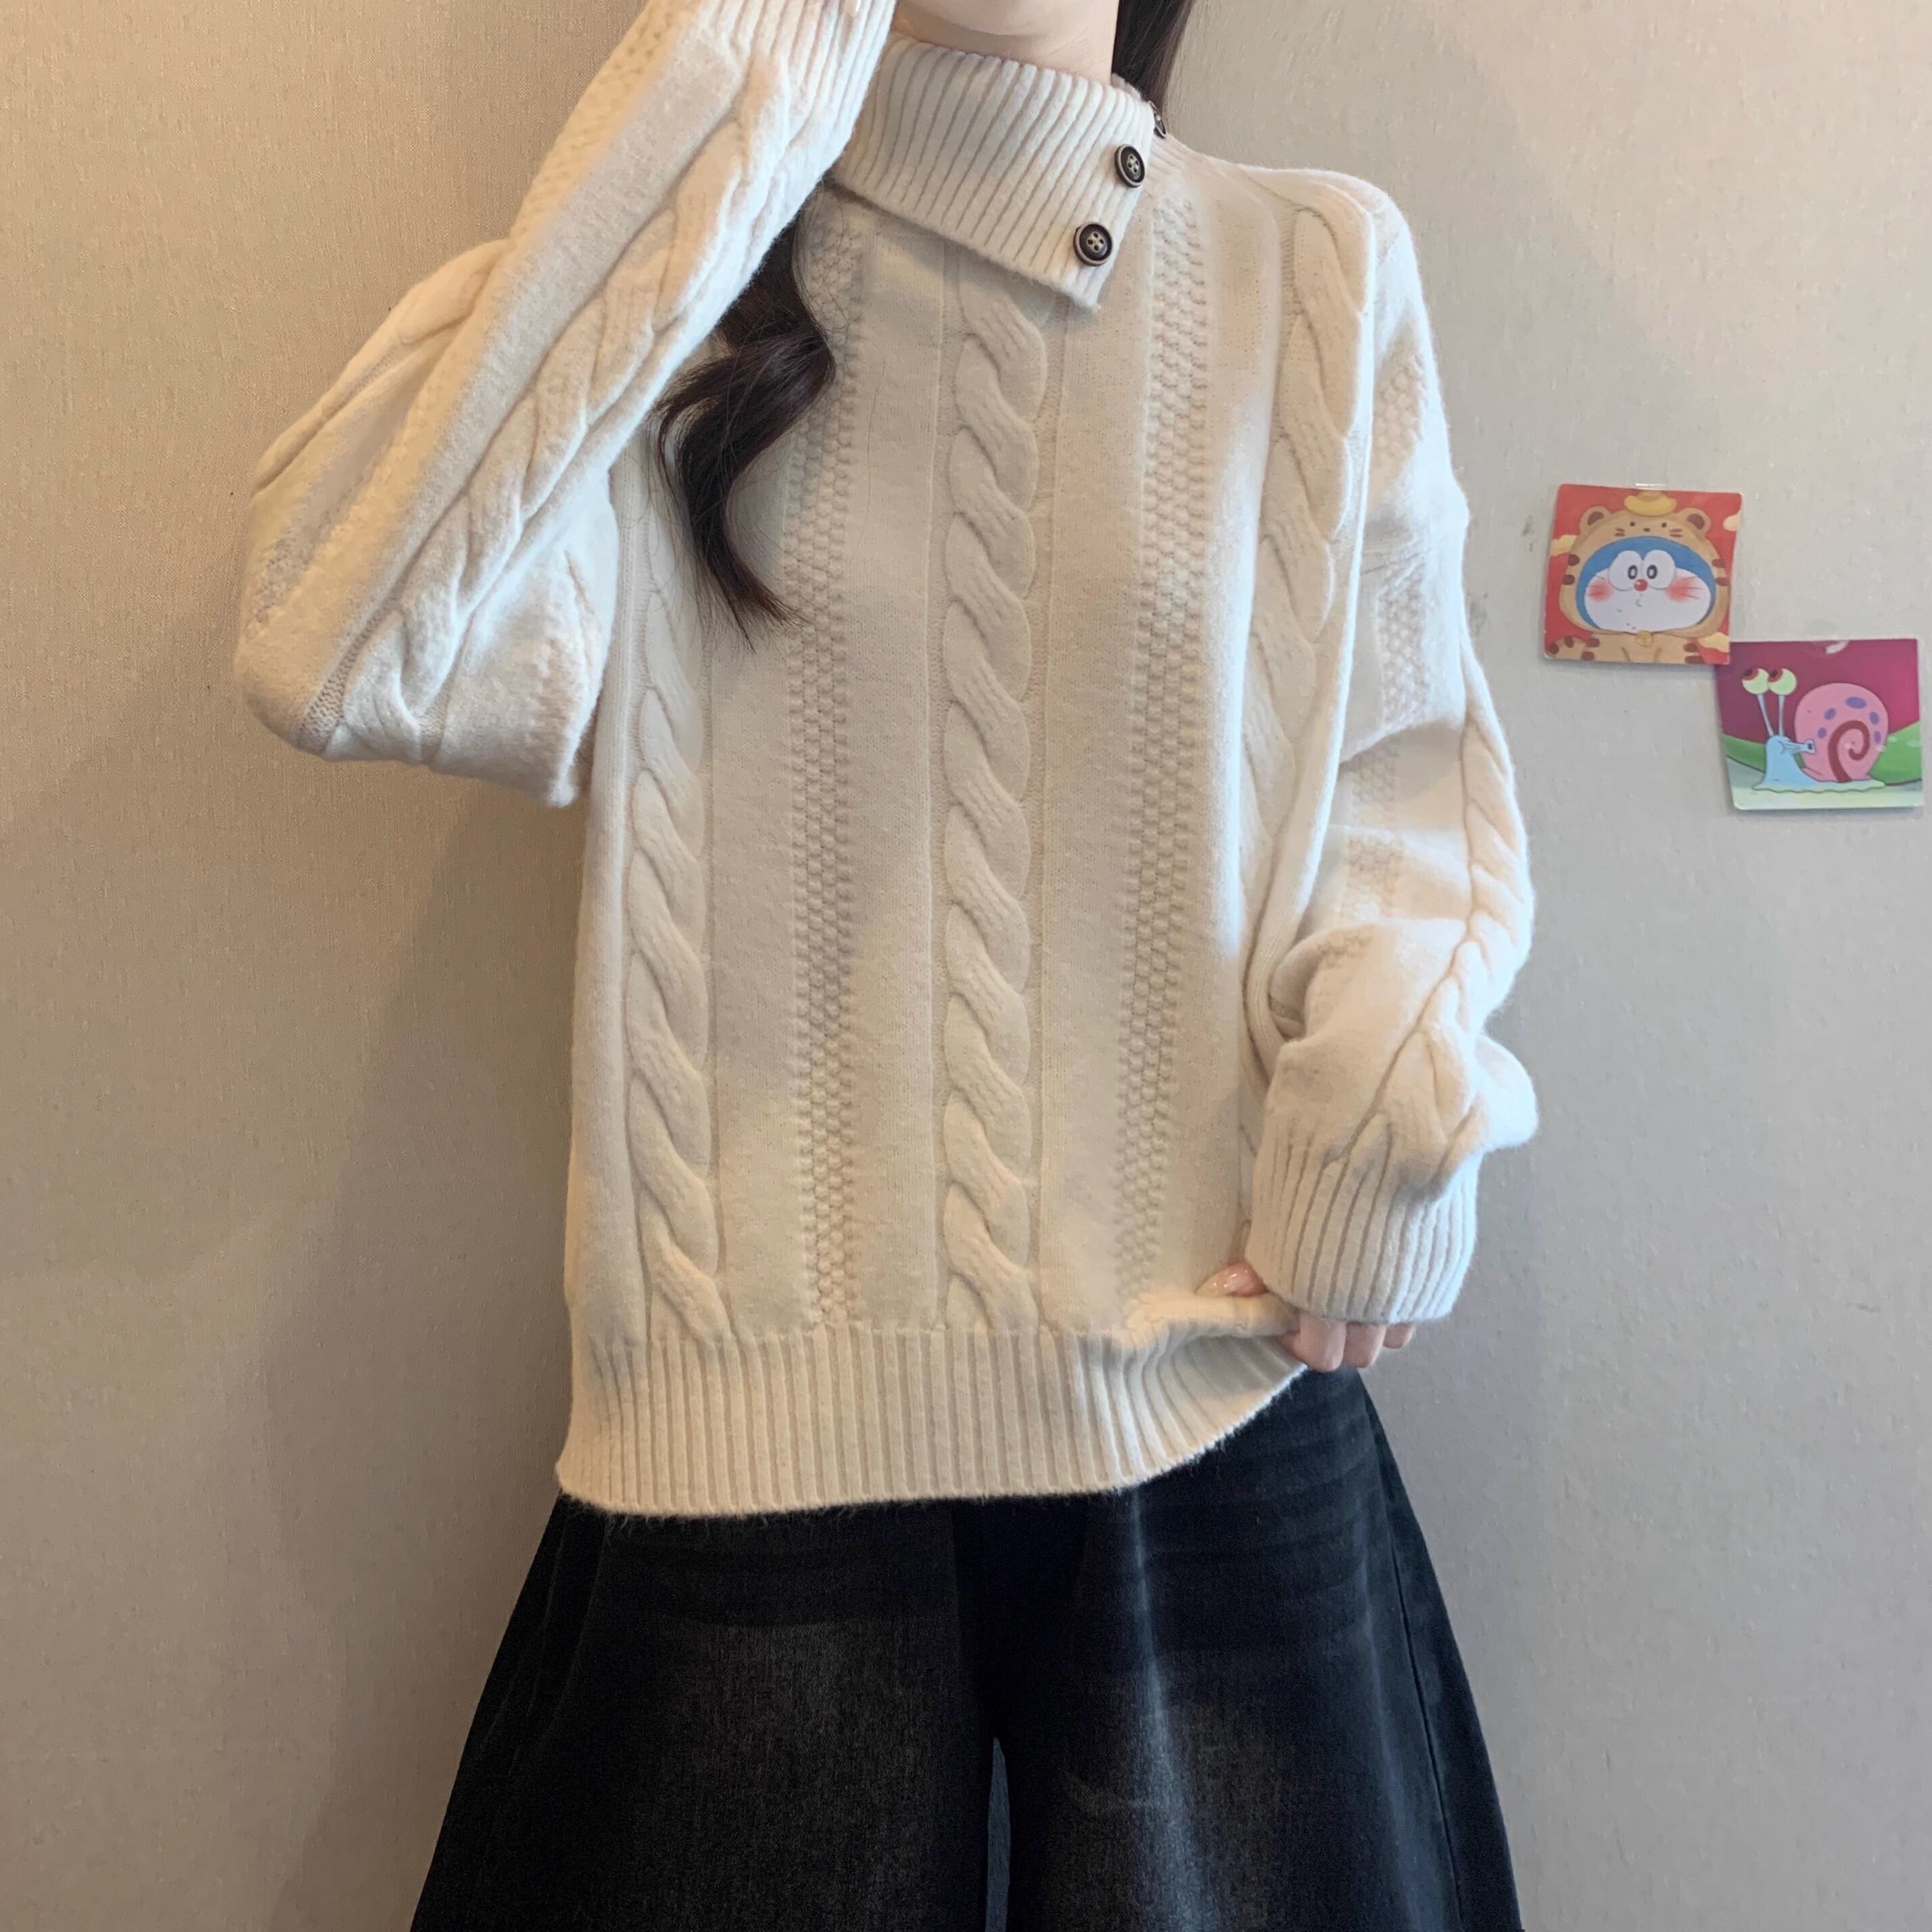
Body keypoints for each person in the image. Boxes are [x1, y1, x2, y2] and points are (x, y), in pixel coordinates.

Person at [233, 0, 1538, 1924]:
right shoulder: (676, 265)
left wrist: (1384, 1141)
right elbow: (334, 649)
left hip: (1208, 1378)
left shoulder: (1309, 262)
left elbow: (1398, 777)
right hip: (750, 1430)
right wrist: (740, 81)